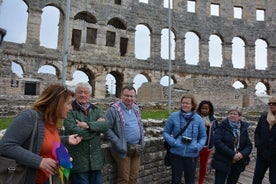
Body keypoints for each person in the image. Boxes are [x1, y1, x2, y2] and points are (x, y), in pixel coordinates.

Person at [0, 84, 82, 184]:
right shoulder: (29, 117)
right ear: (57, 103)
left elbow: (44, 141)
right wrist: (39, 162)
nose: (71, 108)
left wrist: (65, 142)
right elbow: (6, 145)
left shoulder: (51, 122)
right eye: (68, 104)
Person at [63, 82, 109, 184]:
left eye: (86, 92)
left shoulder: (96, 109)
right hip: (79, 161)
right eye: (80, 92)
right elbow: (73, 131)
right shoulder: (70, 110)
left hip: (96, 161)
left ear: (90, 95)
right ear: (75, 94)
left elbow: (106, 125)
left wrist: (87, 125)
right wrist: (96, 129)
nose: (83, 95)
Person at [162, 94, 207, 184]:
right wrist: (173, 142)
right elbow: (165, 132)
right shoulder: (173, 116)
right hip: (176, 154)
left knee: (190, 181)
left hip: (192, 155)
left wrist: (198, 146)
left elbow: (203, 136)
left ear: (193, 105)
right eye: (183, 103)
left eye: (187, 103)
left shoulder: (198, 119)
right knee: (176, 180)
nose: (184, 105)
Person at [105, 85, 145, 184]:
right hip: (123, 148)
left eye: (132, 96)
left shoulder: (136, 108)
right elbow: (106, 128)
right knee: (124, 180)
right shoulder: (113, 110)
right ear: (121, 96)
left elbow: (139, 125)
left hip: (136, 148)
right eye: (126, 95)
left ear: (135, 97)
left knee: (133, 178)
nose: (129, 98)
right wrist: (118, 143)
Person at [211, 106, 252, 184]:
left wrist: (242, 154)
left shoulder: (243, 128)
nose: (232, 115)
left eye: (234, 114)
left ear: (239, 116)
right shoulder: (221, 126)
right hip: (222, 161)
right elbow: (218, 142)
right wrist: (233, 154)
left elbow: (248, 145)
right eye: (230, 113)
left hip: (238, 162)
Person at [253, 96, 276, 184]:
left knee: (273, 179)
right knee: (257, 178)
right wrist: (259, 146)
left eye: (274, 104)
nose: (271, 105)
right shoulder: (264, 117)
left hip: (275, 156)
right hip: (262, 154)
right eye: (270, 103)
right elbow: (257, 133)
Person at [197, 100, 218, 184]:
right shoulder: (196, 117)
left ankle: (201, 181)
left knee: (203, 165)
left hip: (207, 146)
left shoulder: (213, 119)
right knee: (192, 164)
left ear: (210, 109)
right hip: (196, 145)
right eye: (203, 108)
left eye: (206, 109)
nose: (204, 110)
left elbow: (217, 131)